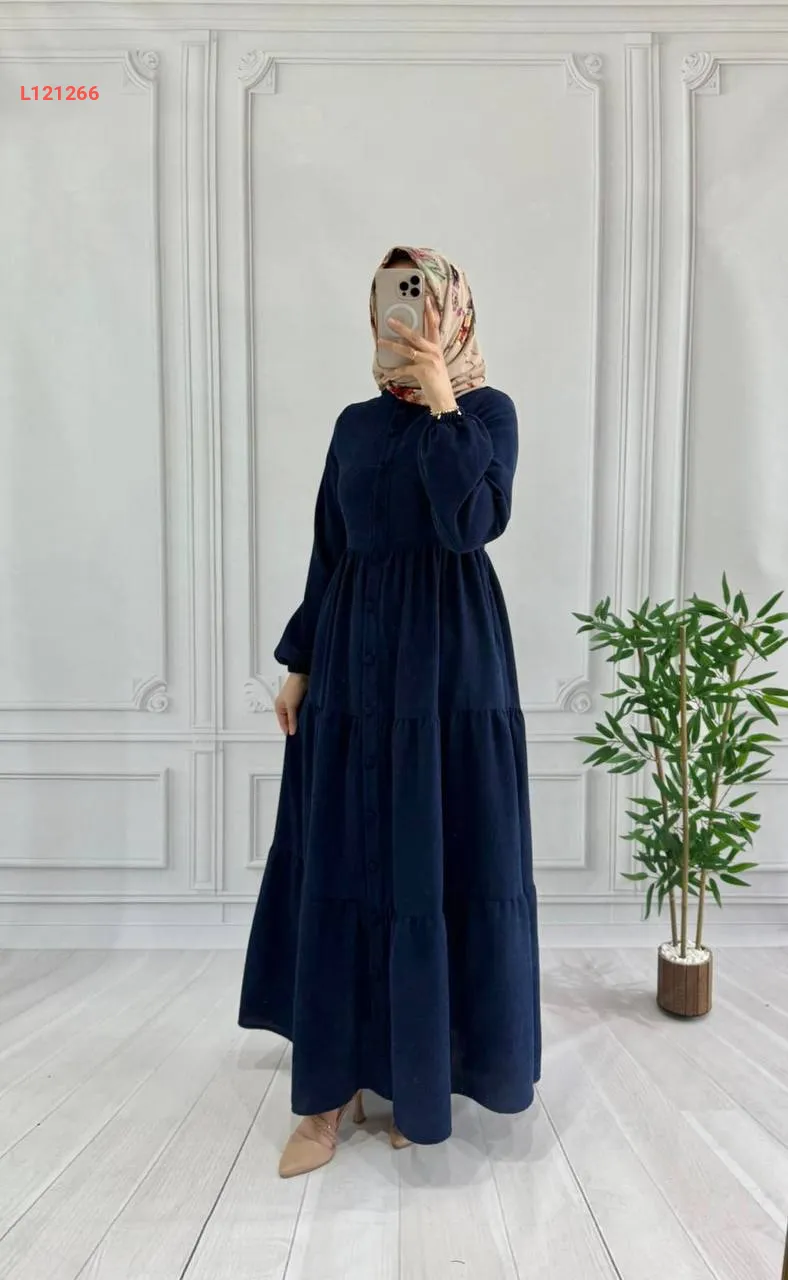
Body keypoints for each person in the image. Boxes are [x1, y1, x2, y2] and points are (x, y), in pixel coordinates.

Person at [237, 245, 541, 1179]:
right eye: (385, 299)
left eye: (417, 298)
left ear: (452, 311)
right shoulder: (353, 425)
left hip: (448, 669)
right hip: (353, 661)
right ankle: (328, 1093)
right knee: (344, 854)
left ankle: (421, 1076)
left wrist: (443, 397)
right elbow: (330, 546)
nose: (399, 314)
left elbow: (472, 523)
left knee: (432, 858)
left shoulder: (488, 414)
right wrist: (299, 664)